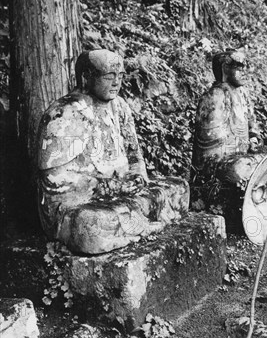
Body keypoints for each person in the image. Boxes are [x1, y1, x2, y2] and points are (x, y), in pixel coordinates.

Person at [37, 49, 189, 254]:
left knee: (176, 189)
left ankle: (138, 224)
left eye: (121, 76)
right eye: (109, 76)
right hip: (80, 204)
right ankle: (141, 224)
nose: (116, 82)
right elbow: (55, 181)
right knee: (92, 223)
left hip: (122, 195)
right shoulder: (64, 114)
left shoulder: (120, 107)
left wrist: (137, 175)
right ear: (86, 77)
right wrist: (109, 186)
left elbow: (135, 156)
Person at [190, 50, 261, 222]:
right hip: (220, 162)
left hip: (242, 156)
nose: (244, 72)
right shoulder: (214, 96)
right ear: (224, 69)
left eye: (245, 68)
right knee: (240, 170)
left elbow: (252, 123)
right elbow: (209, 147)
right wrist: (236, 150)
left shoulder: (243, 94)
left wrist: (253, 138)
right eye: (238, 67)